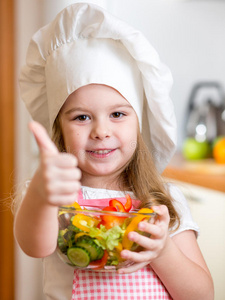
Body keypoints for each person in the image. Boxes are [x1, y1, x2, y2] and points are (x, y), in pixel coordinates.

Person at [14, 3, 214, 300]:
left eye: (118, 115)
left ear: (139, 124)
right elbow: (34, 245)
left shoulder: (164, 201)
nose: (101, 131)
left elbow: (202, 295)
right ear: (60, 130)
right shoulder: (53, 197)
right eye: (81, 117)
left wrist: (163, 251)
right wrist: (43, 194)